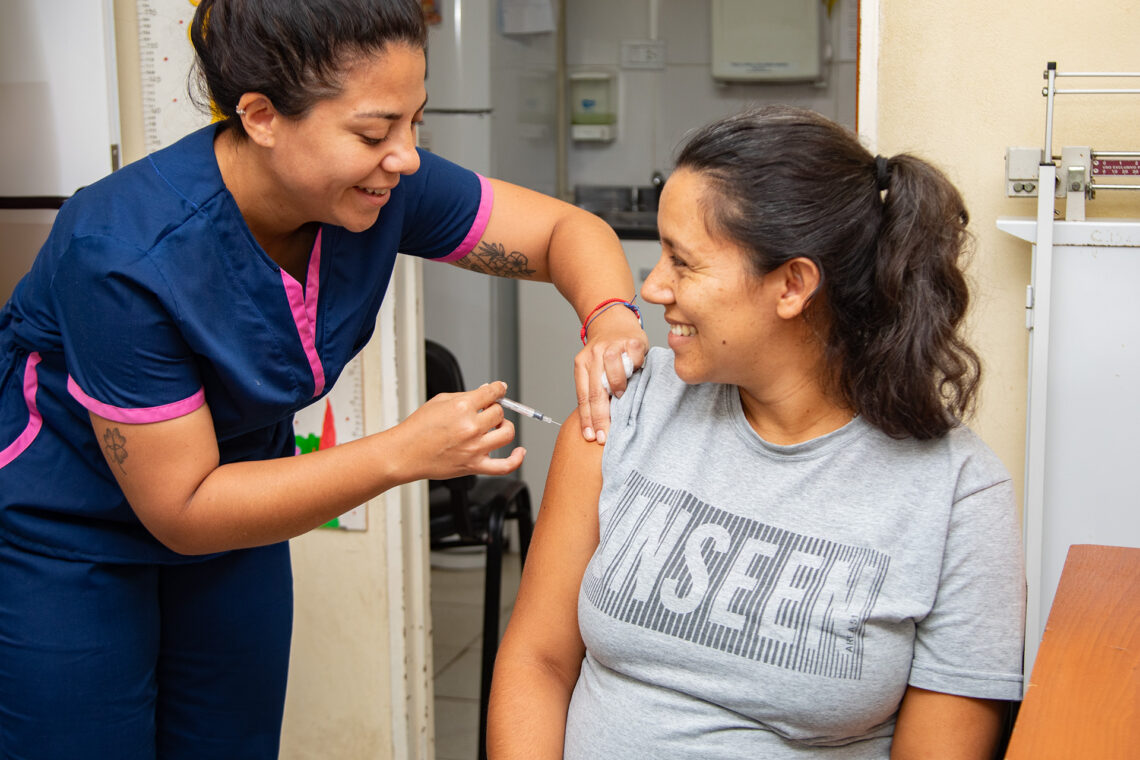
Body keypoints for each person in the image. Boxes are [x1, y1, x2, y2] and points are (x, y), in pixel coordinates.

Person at [0, 1, 647, 757]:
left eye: (416, 123)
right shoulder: (121, 251)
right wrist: (403, 452)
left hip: (241, 508)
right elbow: (181, 507)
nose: (404, 157)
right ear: (262, 115)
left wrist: (609, 315)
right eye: (374, 133)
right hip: (71, 532)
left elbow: (568, 231)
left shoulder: (385, 187)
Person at [488, 105, 1026, 759]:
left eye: (682, 262)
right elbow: (537, 661)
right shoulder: (624, 407)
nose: (653, 288)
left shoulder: (958, 493)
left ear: (792, 285)